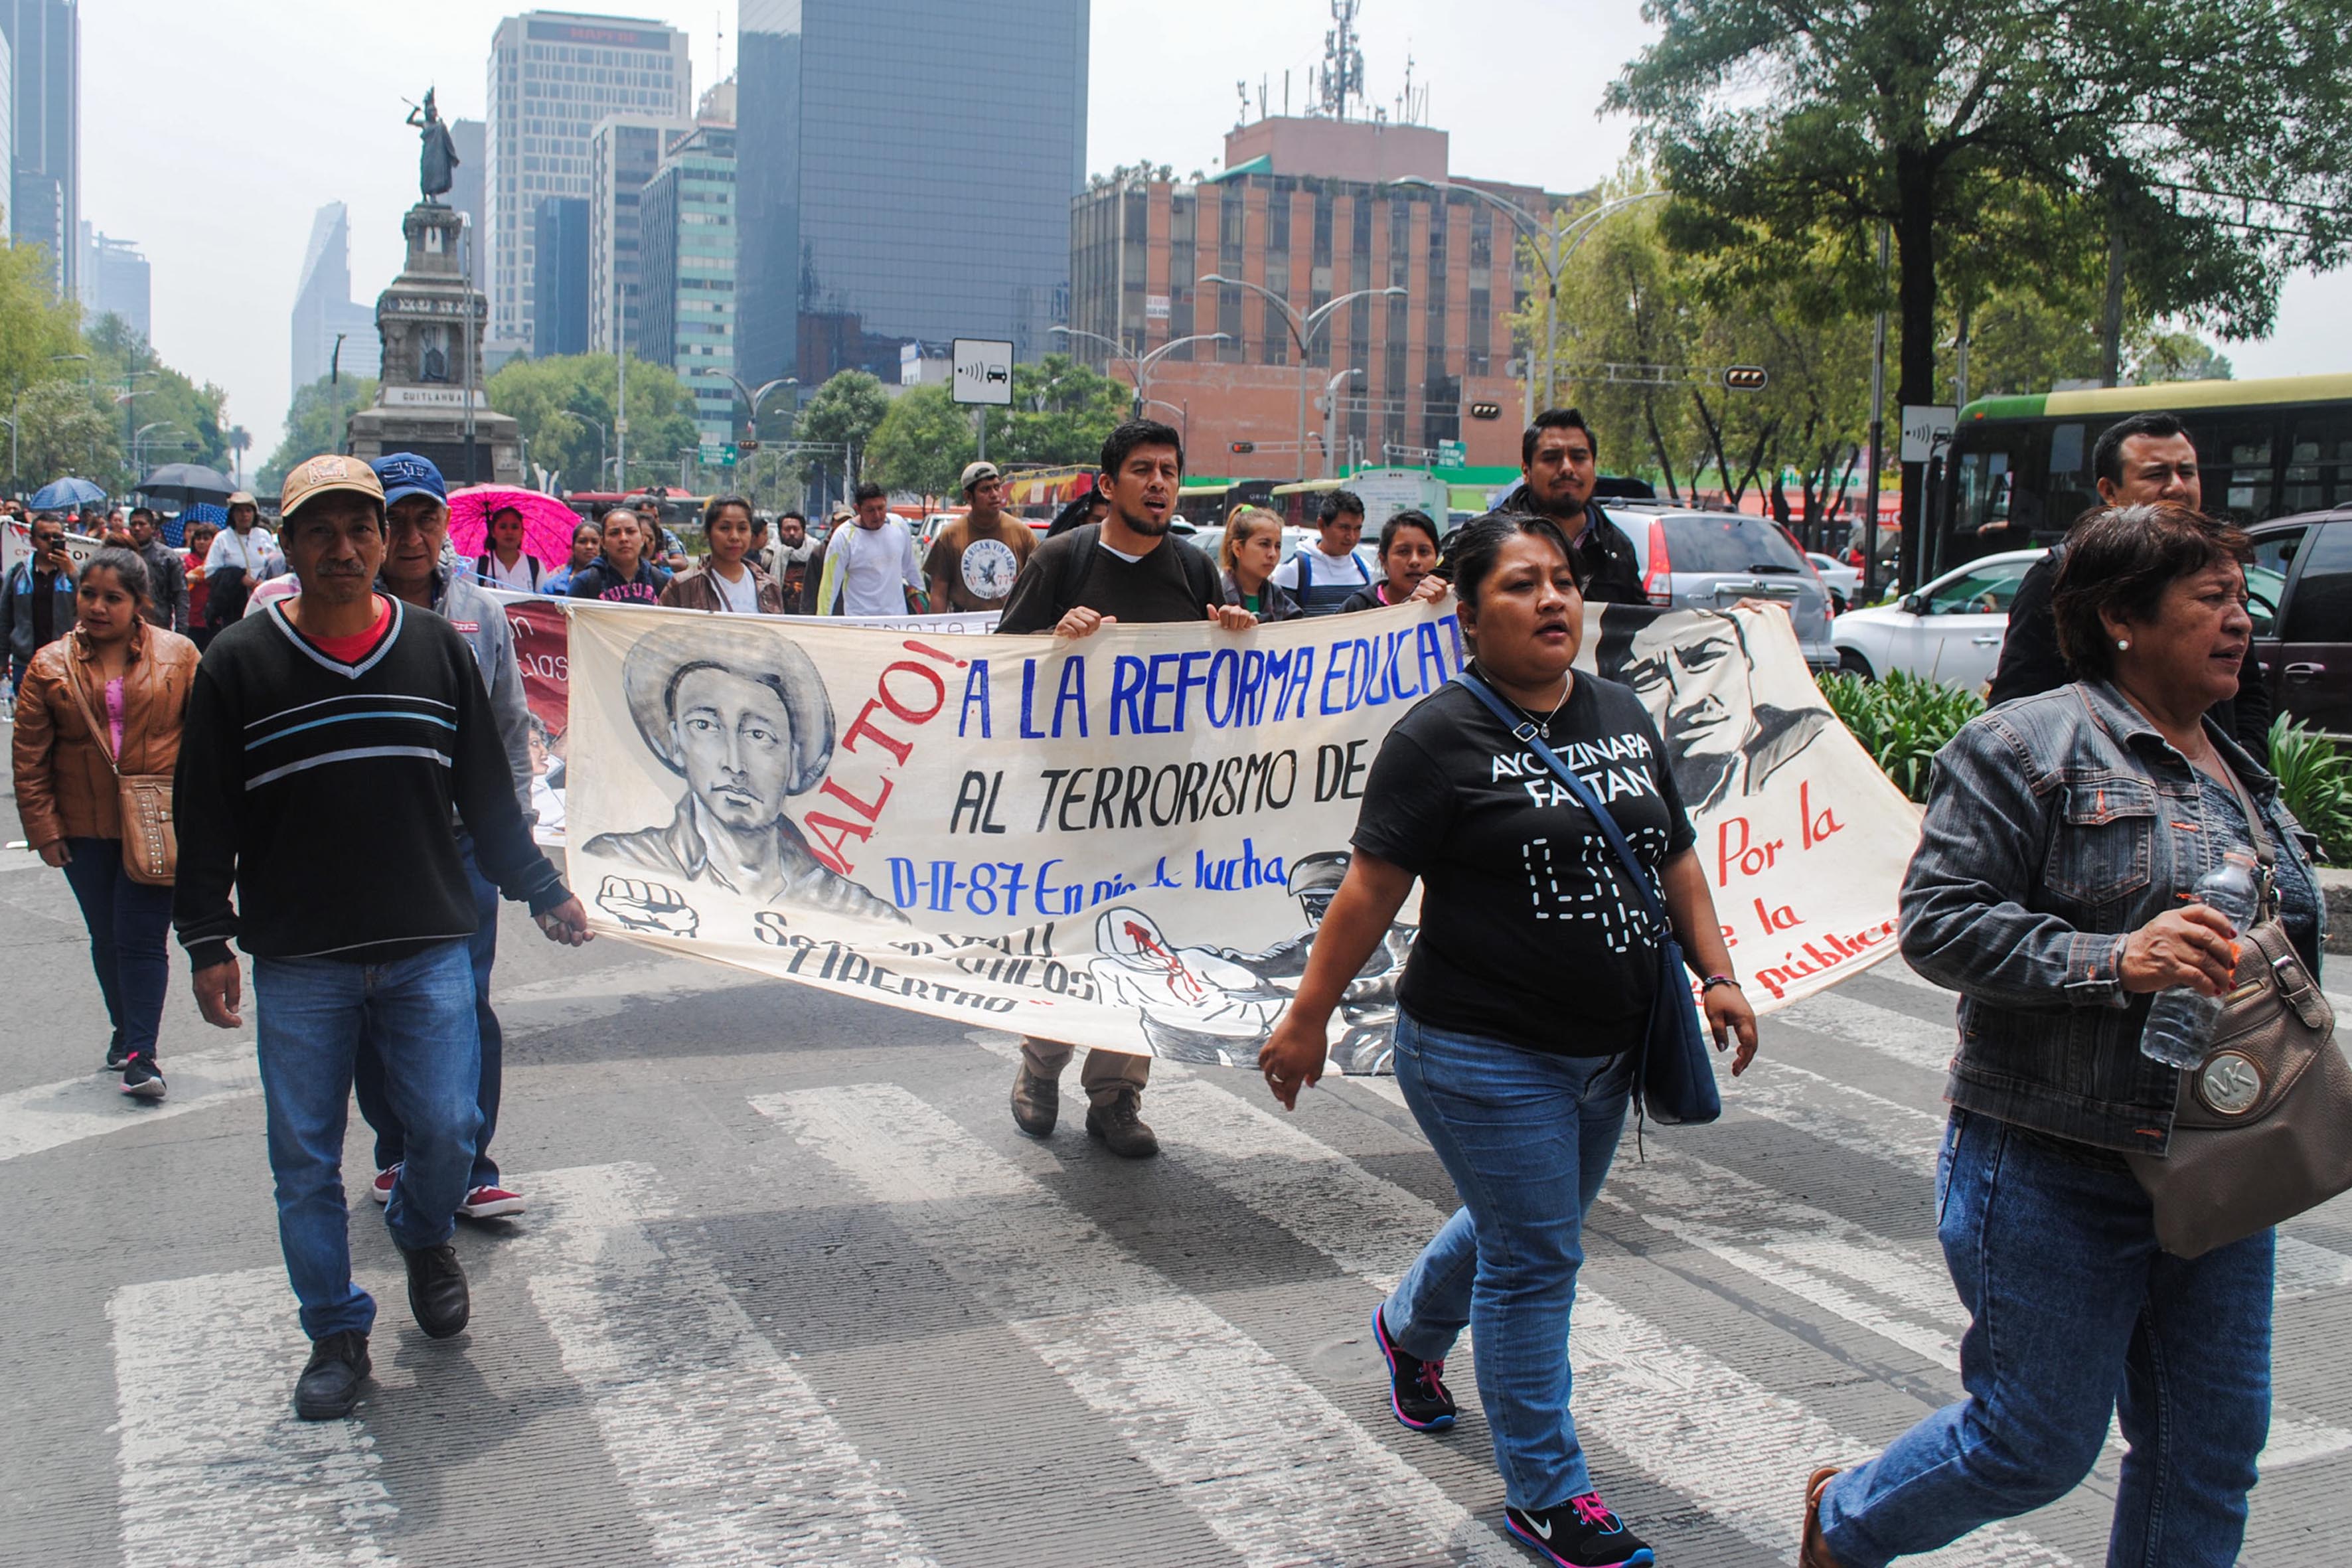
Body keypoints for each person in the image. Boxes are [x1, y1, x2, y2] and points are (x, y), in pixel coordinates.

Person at [1800, 501, 2323, 1568]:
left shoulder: (2240, 768)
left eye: (2241, 600)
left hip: (2215, 1167)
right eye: (2211, 598)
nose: (2240, 622)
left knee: (2207, 1449)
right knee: (2029, 1442)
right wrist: (2117, 959)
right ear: (2120, 618)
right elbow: (1935, 923)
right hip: (2050, 1160)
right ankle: (1846, 1520)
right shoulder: (2022, 745)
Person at [1258, 511, 1758, 1568]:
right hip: (1482, 1049)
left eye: (1563, 581)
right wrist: (1306, 1016)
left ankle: (1405, 1328)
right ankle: (1545, 1490)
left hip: (1607, 1047)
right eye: (1521, 585)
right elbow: (1368, 888)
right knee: (1536, 1258)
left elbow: (1673, 859)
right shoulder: (1435, 737)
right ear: (1468, 618)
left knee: (1513, 1227)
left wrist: (1716, 974)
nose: (1552, 601)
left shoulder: (1622, 711)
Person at [173, 455, 592, 1422]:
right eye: (321, 531)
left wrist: (537, 888)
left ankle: (421, 1230)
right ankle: (335, 1328)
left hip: (428, 938)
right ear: (287, 547)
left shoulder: (437, 648)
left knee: (446, 1128)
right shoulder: (238, 662)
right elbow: (207, 812)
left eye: (360, 528)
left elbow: (485, 792)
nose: (347, 547)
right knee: (304, 1155)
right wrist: (205, 938)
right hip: (301, 954)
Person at [996, 419, 1259, 1158]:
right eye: (1142, 470)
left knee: (1145, 944)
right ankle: (1041, 1064)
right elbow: (997, 670)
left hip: (1166, 802)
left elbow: (1228, 683)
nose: (1159, 484)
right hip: (1072, 799)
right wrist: (1057, 641)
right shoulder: (1061, 560)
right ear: (1108, 486)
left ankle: (1116, 1096)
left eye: (1169, 471)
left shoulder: (1196, 569)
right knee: (1075, 938)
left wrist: (1238, 632)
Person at [326, 452, 544, 1223]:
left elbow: (510, 728)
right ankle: (396, 1152)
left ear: (444, 524)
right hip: (370, 845)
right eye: (397, 520)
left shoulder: (481, 613)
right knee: (372, 1002)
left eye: (426, 517)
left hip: (460, 843)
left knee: (467, 999)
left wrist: (511, 833)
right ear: (375, 532)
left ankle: (473, 1161)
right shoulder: (340, 605)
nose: (412, 536)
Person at [12, 548, 199, 1098]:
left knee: (141, 937)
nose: (97, 607)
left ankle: (144, 1053)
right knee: (107, 935)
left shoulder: (180, 657)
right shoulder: (49, 665)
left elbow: (205, 743)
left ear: (140, 603)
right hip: (83, 825)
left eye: (112, 598)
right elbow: (30, 756)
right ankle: (125, 1028)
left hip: (156, 821)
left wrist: (206, 819)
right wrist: (44, 828)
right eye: (89, 594)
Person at [1987, 411, 2271, 752]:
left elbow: (2249, 693)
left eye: (2187, 472)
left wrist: (2240, 770)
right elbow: (2016, 712)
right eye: (2157, 474)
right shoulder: (2062, 575)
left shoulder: (2221, 568)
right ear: (2109, 490)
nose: (2176, 488)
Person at [584, 621, 905, 921]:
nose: (735, 765)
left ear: (793, 762)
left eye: (758, 735)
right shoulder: (621, 866)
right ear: (676, 741)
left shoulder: (857, 913)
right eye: (705, 726)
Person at [1491, 409, 1645, 604]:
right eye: (1551, 458)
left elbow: (1640, 626)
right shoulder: (1488, 540)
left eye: (1579, 458)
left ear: (1594, 468)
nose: (1567, 468)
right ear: (1526, 471)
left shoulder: (1616, 548)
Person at [925, 461, 1038, 613]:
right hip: (965, 626)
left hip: (1011, 624)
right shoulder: (950, 536)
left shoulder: (1022, 533)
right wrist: (937, 631)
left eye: (997, 487)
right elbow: (939, 592)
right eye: (985, 490)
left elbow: (1038, 583)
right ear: (968, 497)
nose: (994, 495)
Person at [811, 483, 927, 617]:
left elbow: (911, 569)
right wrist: (824, 623)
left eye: (881, 508)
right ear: (858, 509)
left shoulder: (899, 526)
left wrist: (923, 610)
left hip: (897, 620)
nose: (877, 515)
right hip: (860, 622)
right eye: (870, 510)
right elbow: (829, 588)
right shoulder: (843, 537)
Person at [659, 494, 785, 614]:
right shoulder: (683, 586)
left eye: (742, 529)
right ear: (707, 533)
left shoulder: (768, 586)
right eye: (725, 528)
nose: (734, 537)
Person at [2, 512, 81, 687]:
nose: (51, 541)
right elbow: (6, 618)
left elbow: (90, 604)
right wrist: (2, 658)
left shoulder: (75, 572)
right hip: (25, 661)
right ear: (33, 541)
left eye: (57, 537)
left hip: (65, 660)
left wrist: (72, 573)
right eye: (45, 537)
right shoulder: (18, 573)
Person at [1271, 489, 1374, 615]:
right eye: (1344, 528)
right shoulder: (1295, 570)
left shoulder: (1365, 570)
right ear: (1321, 525)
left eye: (1357, 529)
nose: (1351, 537)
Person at [1340, 509, 1447, 613]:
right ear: (1383, 560)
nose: (1415, 561)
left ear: (1436, 558)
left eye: (1424, 552)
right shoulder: (1357, 607)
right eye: (1403, 552)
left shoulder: (1448, 604)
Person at [566, 507, 672, 604]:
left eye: (631, 532)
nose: (623, 539)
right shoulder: (585, 583)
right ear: (603, 543)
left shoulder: (662, 582)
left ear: (642, 539)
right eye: (614, 533)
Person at [1217, 505, 1302, 621]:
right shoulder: (1217, 597)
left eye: (1278, 546)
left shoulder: (1281, 602)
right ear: (1238, 549)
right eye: (1264, 544)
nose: (1272, 554)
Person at [126, 509, 189, 633]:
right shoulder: (120, 555)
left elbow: (181, 595)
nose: (137, 528)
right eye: (133, 524)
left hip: (158, 625)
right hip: (125, 625)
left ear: (153, 528)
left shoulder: (167, 557)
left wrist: (182, 631)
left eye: (142, 524)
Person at [203, 491, 276, 579]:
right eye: (239, 511)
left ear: (254, 514)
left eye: (248, 511)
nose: (244, 515)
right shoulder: (222, 538)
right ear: (232, 514)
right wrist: (238, 578)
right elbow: (210, 573)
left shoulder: (264, 535)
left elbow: (274, 565)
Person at [473, 505, 544, 591]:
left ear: (522, 532)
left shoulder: (535, 566)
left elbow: (545, 601)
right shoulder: (478, 565)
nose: (509, 532)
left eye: (515, 527)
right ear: (493, 532)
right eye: (503, 527)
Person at [756, 509, 815, 606]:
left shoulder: (815, 554)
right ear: (780, 532)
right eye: (787, 529)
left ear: (804, 531)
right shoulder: (769, 556)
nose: (792, 533)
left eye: (796, 529)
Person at [182, 520, 219, 647]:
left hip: (216, 619)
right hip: (193, 618)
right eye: (198, 538)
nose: (201, 542)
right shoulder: (187, 561)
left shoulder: (220, 562)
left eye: (206, 538)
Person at [544, 520, 601, 596]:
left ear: (603, 546)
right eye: (582, 542)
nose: (589, 547)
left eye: (594, 542)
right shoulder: (552, 586)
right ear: (573, 547)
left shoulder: (615, 586)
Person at [1046, 488, 1111, 538]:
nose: (1103, 525)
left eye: (1109, 521)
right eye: (1097, 520)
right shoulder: (1062, 548)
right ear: (1082, 520)